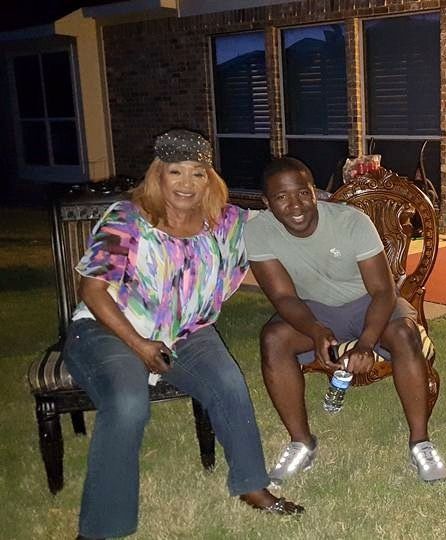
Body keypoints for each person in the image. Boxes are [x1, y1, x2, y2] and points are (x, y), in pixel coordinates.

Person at [63, 130, 303, 540]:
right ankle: (102, 529)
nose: (187, 184)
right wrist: (139, 345)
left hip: (186, 331)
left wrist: (339, 209)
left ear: (210, 178)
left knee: (228, 384)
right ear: (158, 175)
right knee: (127, 403)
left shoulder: (225, 222)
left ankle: (252, 486)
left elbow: (285, 220)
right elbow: (93, 290)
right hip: (109, 328)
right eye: (176, 172)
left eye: (197, 173)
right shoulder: (128, 218)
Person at [244, 156, 446, 486]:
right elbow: (283, 298)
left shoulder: (350, 221)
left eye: (303, 193)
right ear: (267, 202)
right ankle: (302, 443)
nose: (296, 205)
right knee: (273, 339)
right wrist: (315, 330)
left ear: (315, 192)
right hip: (315, 309)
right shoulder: (258, 231)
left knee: (404, 334)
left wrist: (367, 343)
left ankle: (420, 442)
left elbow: (383, 291)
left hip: (370, 302)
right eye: (282, 197)